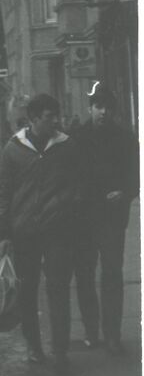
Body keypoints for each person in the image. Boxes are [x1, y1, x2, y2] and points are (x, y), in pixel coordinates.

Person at [0, 92, 88, 375]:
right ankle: (34, 347)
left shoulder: (67, 146)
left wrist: (67, 207)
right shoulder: (13, 149)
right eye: (49, 117)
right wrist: (2, 233)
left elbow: (79, 183)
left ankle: (59, 350)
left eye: (56, 116)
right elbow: (4, 194)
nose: (55, 122)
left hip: (58, 231)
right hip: (24, 232)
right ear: (34, 119)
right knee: (27, 291)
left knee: (58, 288)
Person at [71, 82, 139, 355]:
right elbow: (67, 177)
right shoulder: (76, 138)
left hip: (112, 219)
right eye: (99, 107)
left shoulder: (125, 138)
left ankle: (112, 334)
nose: (103, 112)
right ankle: (91, 331)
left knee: (112, 275)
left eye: (108, 107)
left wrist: (123, 192)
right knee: (85, 275)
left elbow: (136, 176)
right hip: (83, 219)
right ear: (90, 108)